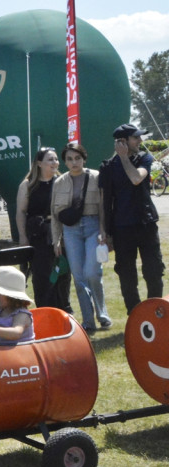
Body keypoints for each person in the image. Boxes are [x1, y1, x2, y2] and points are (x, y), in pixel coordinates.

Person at [99, 123, 163, 313]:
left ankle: (156, 313)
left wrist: (125, 158)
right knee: (127, 275)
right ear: (122, 142)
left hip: (146, 224)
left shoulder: (145, 158)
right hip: (121, 228)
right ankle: (135, 315)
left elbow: (136, 178)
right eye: (136, 138)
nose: (140, 141)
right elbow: (104, 202)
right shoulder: (108, 167)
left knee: (153, 271)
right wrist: (104, 231)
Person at [52, 142, 111, 332]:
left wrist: (103, 230)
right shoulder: (59, 182)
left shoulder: (96, 177)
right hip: (71, 230)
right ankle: (88, 320)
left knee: (92, 272)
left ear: (84, 158)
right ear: (65, 162)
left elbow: (103, 206)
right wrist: (56, 239)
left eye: (77, 158)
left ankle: (102, 313)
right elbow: (55, 214)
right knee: (78, 276)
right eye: (69, 159)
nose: (74, 162)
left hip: (93, 225)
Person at [15, 147, 71, 311]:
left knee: (62, 271)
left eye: (56, 159)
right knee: (42, 274)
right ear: (39, 163)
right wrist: (23, 237)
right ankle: (45, 310)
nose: (55, 163)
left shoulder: (62, 182)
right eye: (50, 159)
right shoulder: (28, 185)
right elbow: (21, 212)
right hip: (38, 234)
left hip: (61, 232)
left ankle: (64, 309)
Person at [0, 266, 36, 344]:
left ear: (12, 297)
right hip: (5, 352)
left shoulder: (22, 314)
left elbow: (16, 333)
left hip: (23, 351)